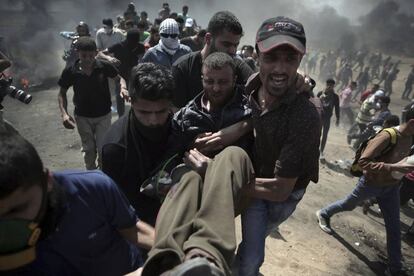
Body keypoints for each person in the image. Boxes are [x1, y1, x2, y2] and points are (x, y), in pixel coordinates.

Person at [0, 130, 155, 275]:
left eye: (17, 209)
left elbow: (133, 229)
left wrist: (171, 248)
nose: (8, 226)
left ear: (46, 180)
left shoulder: (93, 188)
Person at [235, 16, 321, 276]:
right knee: (252, 255)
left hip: (284, 194)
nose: (280, 68)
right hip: (258, 182)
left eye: (290, 59)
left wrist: (220, 179)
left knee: (251, 253)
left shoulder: (306, 114)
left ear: (300, 61)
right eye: (272, 57)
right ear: (257, 54)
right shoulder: (249, 85)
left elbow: (281, 189)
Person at [316, 104, 414, 276]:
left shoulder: (410, 138)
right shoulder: (387, 136)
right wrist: (392, 167)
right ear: (412, 122)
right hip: (371, 184)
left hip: (391, 188)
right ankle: (324, 213)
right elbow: (364, 161)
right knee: (348, 204)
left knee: (394, 228)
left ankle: (394, 268)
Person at [101, 63, 175, 226]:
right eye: (145, 112)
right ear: (131, 102)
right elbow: (119, 207)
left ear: (170, 105)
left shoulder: (182, 129)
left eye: (161, 111)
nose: (153, 120)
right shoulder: (115, 147)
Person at [57, 37, 126, 170]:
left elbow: (119, 78)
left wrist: (123, 88)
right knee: (89, 150)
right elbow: (62, 93)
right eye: (84, 55)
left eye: (91, 55)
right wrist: (64, 114)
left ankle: (103, 176)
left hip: (103, 115)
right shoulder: (71, 71)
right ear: (77, 52)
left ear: (96, 53)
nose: (88, 59)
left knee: (102, 148)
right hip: (82, 116)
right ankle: (91, 173)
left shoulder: (104, 66)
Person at [172, 11, 254, 108]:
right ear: (208, 38)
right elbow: (175, 113)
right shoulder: (183, 68)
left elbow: (258, 92)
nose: (233, 50)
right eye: (226, 44)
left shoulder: (238, 67)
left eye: (235, 45)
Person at [97, 29, 146, 117]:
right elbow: (100, 53)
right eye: (131, 42)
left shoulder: (140, 47)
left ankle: (135, 116)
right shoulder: (119, 46)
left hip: (134, 76)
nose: (133, 44)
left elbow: (142, 58)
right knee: (120, 96)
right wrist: (109, 58)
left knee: (136, 96)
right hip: (120, 76)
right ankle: (121, 117)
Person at [317, 79, 340, 158]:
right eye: (328, 85)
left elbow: (337, 108)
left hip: (327, 118)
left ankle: (321, 151)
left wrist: (337, 118)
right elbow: (314, 103)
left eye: (331, 85)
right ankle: (314, 149)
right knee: (317, 134)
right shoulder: (320, 93)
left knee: (325, 134)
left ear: (334, 86)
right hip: (319, 117)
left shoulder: (335, 97)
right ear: (326, 85)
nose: (329, 87)